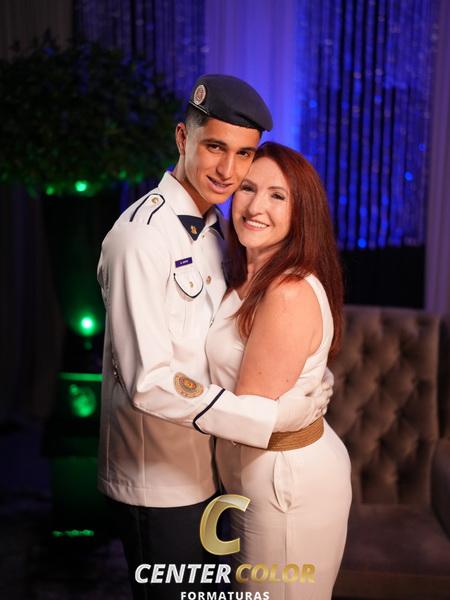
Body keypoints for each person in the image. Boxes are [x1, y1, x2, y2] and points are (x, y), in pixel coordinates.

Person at [97, 75, 334, 600]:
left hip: (210, 473)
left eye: (243, 154)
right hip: (158, 482)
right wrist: (272, 418)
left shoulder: (215, 227)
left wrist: (309, 375)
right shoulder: (141, 239)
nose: (229, 170)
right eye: (215, 147)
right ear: (183, 138)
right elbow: (149, 382)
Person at [206, 142, 352, 600]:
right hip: (255, 475)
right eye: (248, 189)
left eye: (277, 196)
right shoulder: (245, 275)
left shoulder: (286, 290)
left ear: (301, 212)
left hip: (286, 482)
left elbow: (249, 417)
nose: (255, 207)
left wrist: (173, 391)